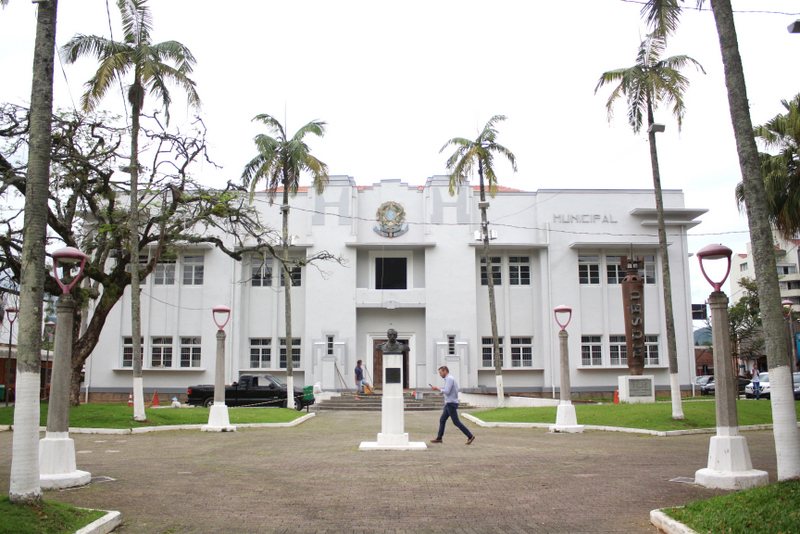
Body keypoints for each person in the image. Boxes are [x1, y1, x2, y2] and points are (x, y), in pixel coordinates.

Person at [430, 365, 475, 445]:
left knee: (456, 422)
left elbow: (447, 391)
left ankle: (470, 435)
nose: (440, 374)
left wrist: (437, 389)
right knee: (442, 420)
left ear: (445, 371)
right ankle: (439, 438)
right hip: (449, 403)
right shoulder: (448, 379)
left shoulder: (449, 379)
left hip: (451, 403)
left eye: (440, 373)